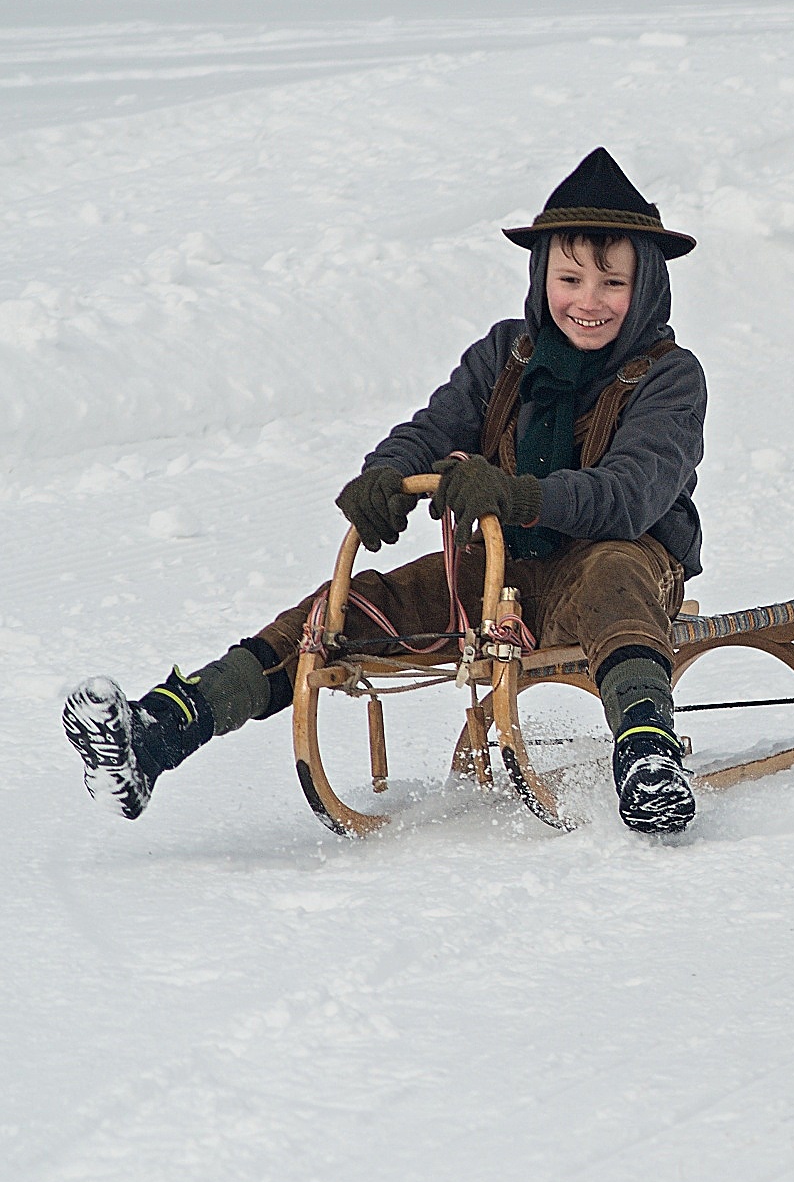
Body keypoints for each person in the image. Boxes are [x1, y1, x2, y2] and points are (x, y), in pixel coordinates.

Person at [62, 148, 708, 836]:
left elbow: (629, 494)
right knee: (354, 602)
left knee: (612, 572)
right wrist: (387, 476)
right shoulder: (507, 354)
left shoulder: (668, 376)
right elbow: (434, 428)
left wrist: (518, 495)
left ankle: (648, 756)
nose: (588, 301)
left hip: (624, 567)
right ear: (540, 276)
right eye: (570, 277)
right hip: (500, 571)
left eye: (612, 283)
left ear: (645, 289)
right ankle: (162, 730)